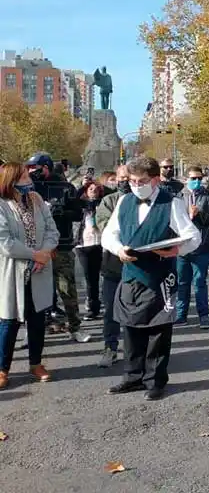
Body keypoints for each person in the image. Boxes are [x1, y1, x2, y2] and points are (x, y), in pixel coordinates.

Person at [101, 156, 201, 401]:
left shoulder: (172, 203)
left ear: (155, 180)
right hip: (131, 274)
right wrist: (118, 250)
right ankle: (133, 376)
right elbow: (108, 235)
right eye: (133, 181)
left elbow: (193, 236)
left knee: (158, 331)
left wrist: (177, 250)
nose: (136, 185)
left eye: (142, 181)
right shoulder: (124, 201)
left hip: (160, 275)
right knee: (131, 327)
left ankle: (155, 380)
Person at [0, 163, 59, 388]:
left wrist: (44, 253)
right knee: (9, 321)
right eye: (23, 177)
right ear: (10, 180)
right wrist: (35, 255)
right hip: (12, 271)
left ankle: (36, 363)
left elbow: (52, 230)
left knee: (37, 320)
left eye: (27, 176)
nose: (28, 181)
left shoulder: (36, 200)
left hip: (39, 270)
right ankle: (2, 368)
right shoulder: (2, 205)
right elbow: (4, 242)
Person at [25, 152, 90, 342]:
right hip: (35, 248)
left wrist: (61, 211)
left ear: (46, 167)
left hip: (61, 246)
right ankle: (33, 331)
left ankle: (75, 327)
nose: (32, 172)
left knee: (67, 289)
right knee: (34, 292)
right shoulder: (25, 188)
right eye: (29, 168)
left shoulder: (64, 187)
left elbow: (79, 213)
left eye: (36, 168)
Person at [95, 165, 131, 367]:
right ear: (117, 179)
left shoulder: (143, 201)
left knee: (136, 311)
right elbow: (105, 227)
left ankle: (135, 349)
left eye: (129, 177)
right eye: (122, 178)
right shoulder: (109, 201)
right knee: (110, 309)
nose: (125, 181)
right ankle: (110, 347)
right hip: (113, 266)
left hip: (137, 266)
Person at [175, 166, 209, 328]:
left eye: (199, 178)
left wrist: (200, 214)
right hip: (182, 247)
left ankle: (203, 315)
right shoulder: (178, 197)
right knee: (182, 282)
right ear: (186, 179)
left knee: (200, 281)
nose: (197, 181)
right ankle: (181, 315)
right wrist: (188, 216)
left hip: (202, 246)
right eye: (193, 178)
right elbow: (173, 221)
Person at [76, 180, 105, 321]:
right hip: (84, 245)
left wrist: (101, 186)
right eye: (90, 189)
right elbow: (74, 197)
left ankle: (108, 302)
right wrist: (84, 185)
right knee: (91, 279)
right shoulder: (81, 206)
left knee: (106, 276)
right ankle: (93, 308)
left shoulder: (104, 203)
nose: (93, 191)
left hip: (101, 244)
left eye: (96, 189)